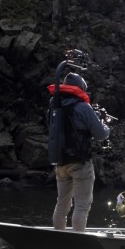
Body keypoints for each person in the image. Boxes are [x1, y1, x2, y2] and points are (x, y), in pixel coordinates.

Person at [47, 72, 110, 231]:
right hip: (80, 163)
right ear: (80, 88)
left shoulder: (54, 108)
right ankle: (78, 240)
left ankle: (59, 238)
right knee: (82, 206)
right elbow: (101, 134)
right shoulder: (83, 107)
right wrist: (106, 126)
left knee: (61, 204)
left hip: (60, 163)